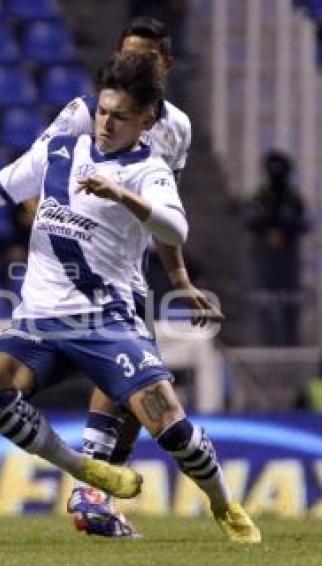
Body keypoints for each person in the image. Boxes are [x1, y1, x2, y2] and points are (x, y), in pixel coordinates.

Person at [0, 51, 261, 544]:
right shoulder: (61, 149)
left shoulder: (149, 170)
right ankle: (86, 468)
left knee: (169, 424)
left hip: (105, 320)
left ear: (145, 120)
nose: (105, 122)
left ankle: (224, 505)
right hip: (40, 320)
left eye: (119, 116)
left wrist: (121, 196)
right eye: (102, 111)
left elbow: (176, 226)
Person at [36, 16, 223, 537]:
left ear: (165, 65)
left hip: (131, 267)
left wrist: (180, 279)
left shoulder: (177, 128)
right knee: (125, 375)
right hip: (82, 266)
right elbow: (39, 173)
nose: (133, 65)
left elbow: (162, 211)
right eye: (127, 56)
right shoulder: (87, 114)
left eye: (145, 58)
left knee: (137, 396)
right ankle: (92, 492)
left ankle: (99, 497)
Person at [245, 150, 308, 346]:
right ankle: (264, 342)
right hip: (265, 261)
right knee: (264, 303)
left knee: (290, 303)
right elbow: (250, 220)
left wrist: (283, 232)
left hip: (288, 262)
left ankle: (291, 342)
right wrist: (268, 231)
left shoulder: (294, 198)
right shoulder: (260, 196)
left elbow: (303, 223)